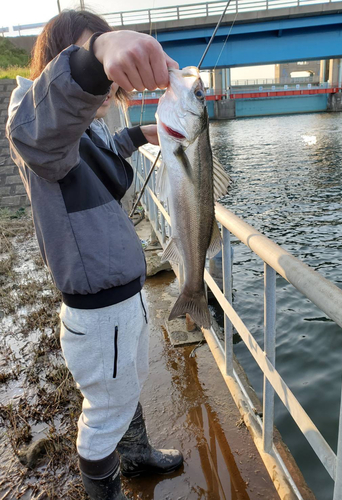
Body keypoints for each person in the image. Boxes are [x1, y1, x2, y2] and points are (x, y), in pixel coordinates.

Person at [6, 10, 183, 500]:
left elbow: (99, 149)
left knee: (127, 384)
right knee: (103, 413)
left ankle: (136, 453)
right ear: (62, 63)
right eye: (91, 56)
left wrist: (139, 136)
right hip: (100, 313)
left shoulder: (79, 130)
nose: (108, 77)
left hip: (121, 302)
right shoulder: (32, 116)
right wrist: (99, 54)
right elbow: (44, 131)